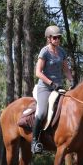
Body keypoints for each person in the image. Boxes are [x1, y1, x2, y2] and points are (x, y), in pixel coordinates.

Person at [32, 25, 74, 154]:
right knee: (42, 113)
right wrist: (51, 83)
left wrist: (72, 80)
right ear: (49, 38)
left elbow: (66, 69)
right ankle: (34, 141)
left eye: (59, 38)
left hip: (59, 87)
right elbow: (38, 73)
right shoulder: (44, 52)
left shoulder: (62, 52)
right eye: (55, 38)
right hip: (45, 88)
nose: (57, 40)